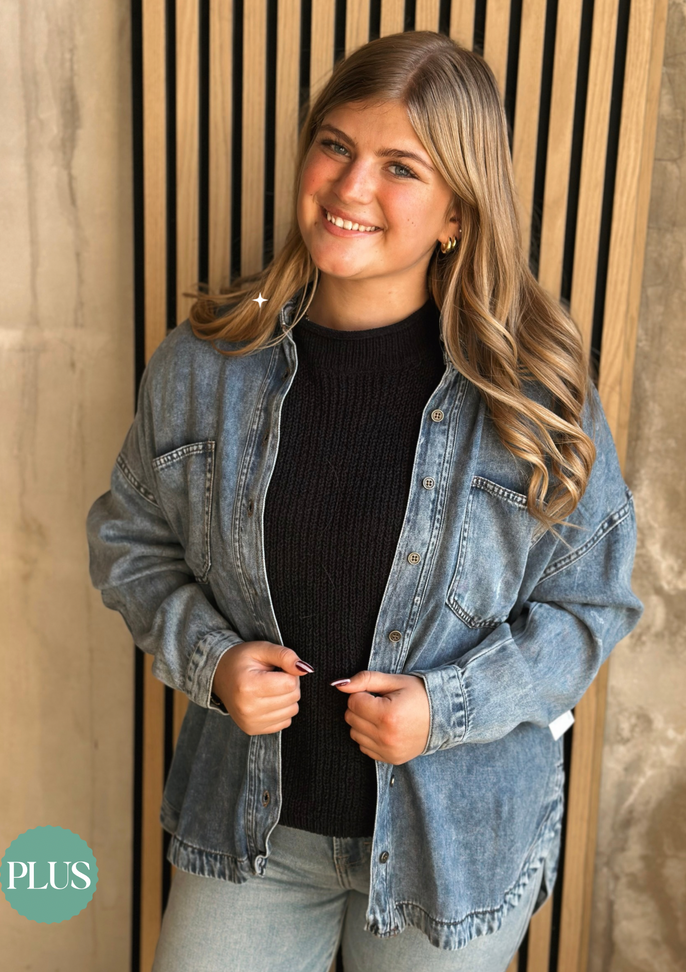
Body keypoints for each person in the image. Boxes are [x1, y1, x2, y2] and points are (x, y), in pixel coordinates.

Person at [86, 30, 642, 972]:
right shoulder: (202, 366)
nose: (350, 190)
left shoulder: (533, 397)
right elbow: (130, 544)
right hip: (253, 830)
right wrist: (212, 661)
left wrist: (448, 705)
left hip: (453, 850)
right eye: (336, 145)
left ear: (457, 214)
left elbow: (592, 609)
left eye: (400, 167)